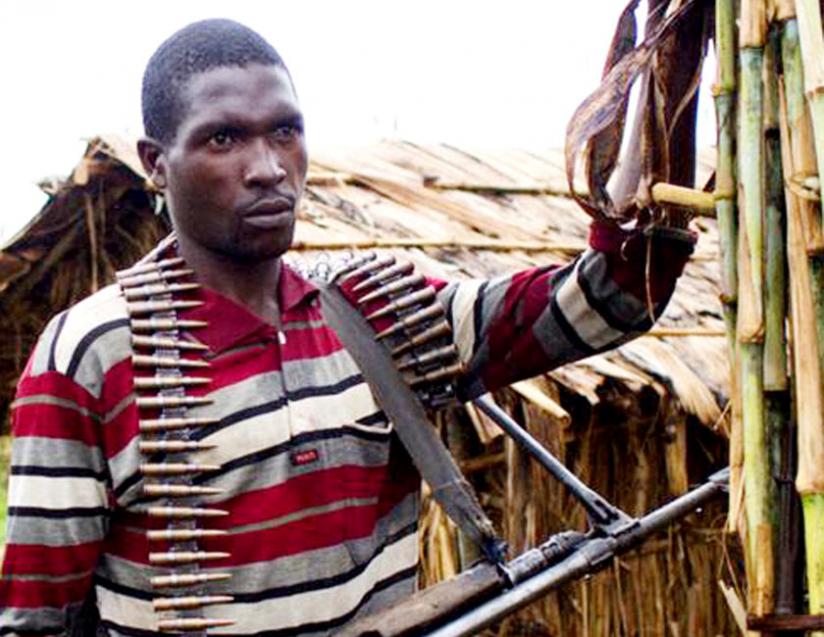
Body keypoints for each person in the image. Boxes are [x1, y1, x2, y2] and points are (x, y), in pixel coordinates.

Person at [0, 18, 696, 637]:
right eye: (223, 139)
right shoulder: (87, 354)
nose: (269, 168)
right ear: (156, 162)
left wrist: (671, 67)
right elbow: (39, 617)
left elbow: (612, 299)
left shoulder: (380, 312)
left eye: (285, 131)